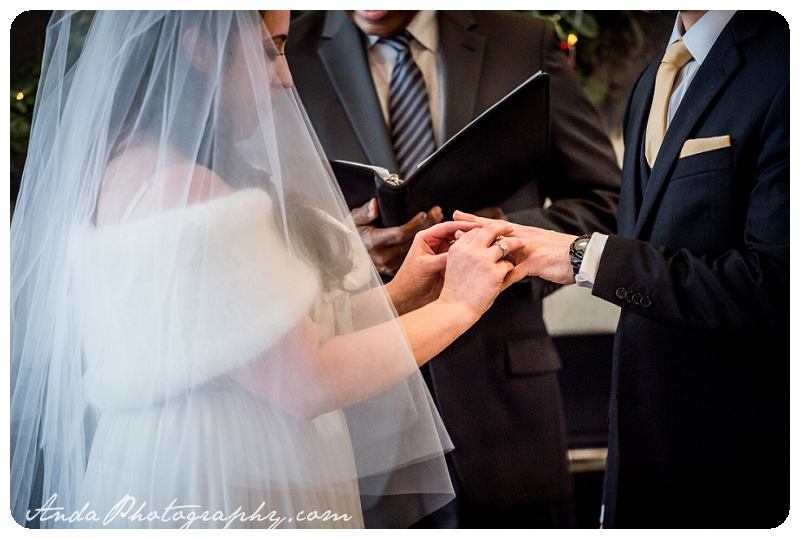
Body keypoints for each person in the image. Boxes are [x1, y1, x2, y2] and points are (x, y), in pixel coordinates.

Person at [9, 10, 524, 529]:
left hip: (215, 460)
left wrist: (402, 294)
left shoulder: (150, 167)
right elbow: (306, 379)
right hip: (218, 482)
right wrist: (459, 304)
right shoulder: (183, 192)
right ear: (200, 50)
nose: (285, 74)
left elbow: (265, 336)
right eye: (267, 50)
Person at [285, 10, 621, 528]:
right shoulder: (284, 53)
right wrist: (350, 251)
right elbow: (264, 242)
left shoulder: (518, 36)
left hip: (507, 405)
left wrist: (505, 232)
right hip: (363, 422)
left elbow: (607, 201)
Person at [456, 10, 789, 528]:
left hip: (745, 463)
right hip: (643, 450)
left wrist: (581, 257)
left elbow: (773, 288)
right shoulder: (649, 82)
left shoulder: (782, 61)